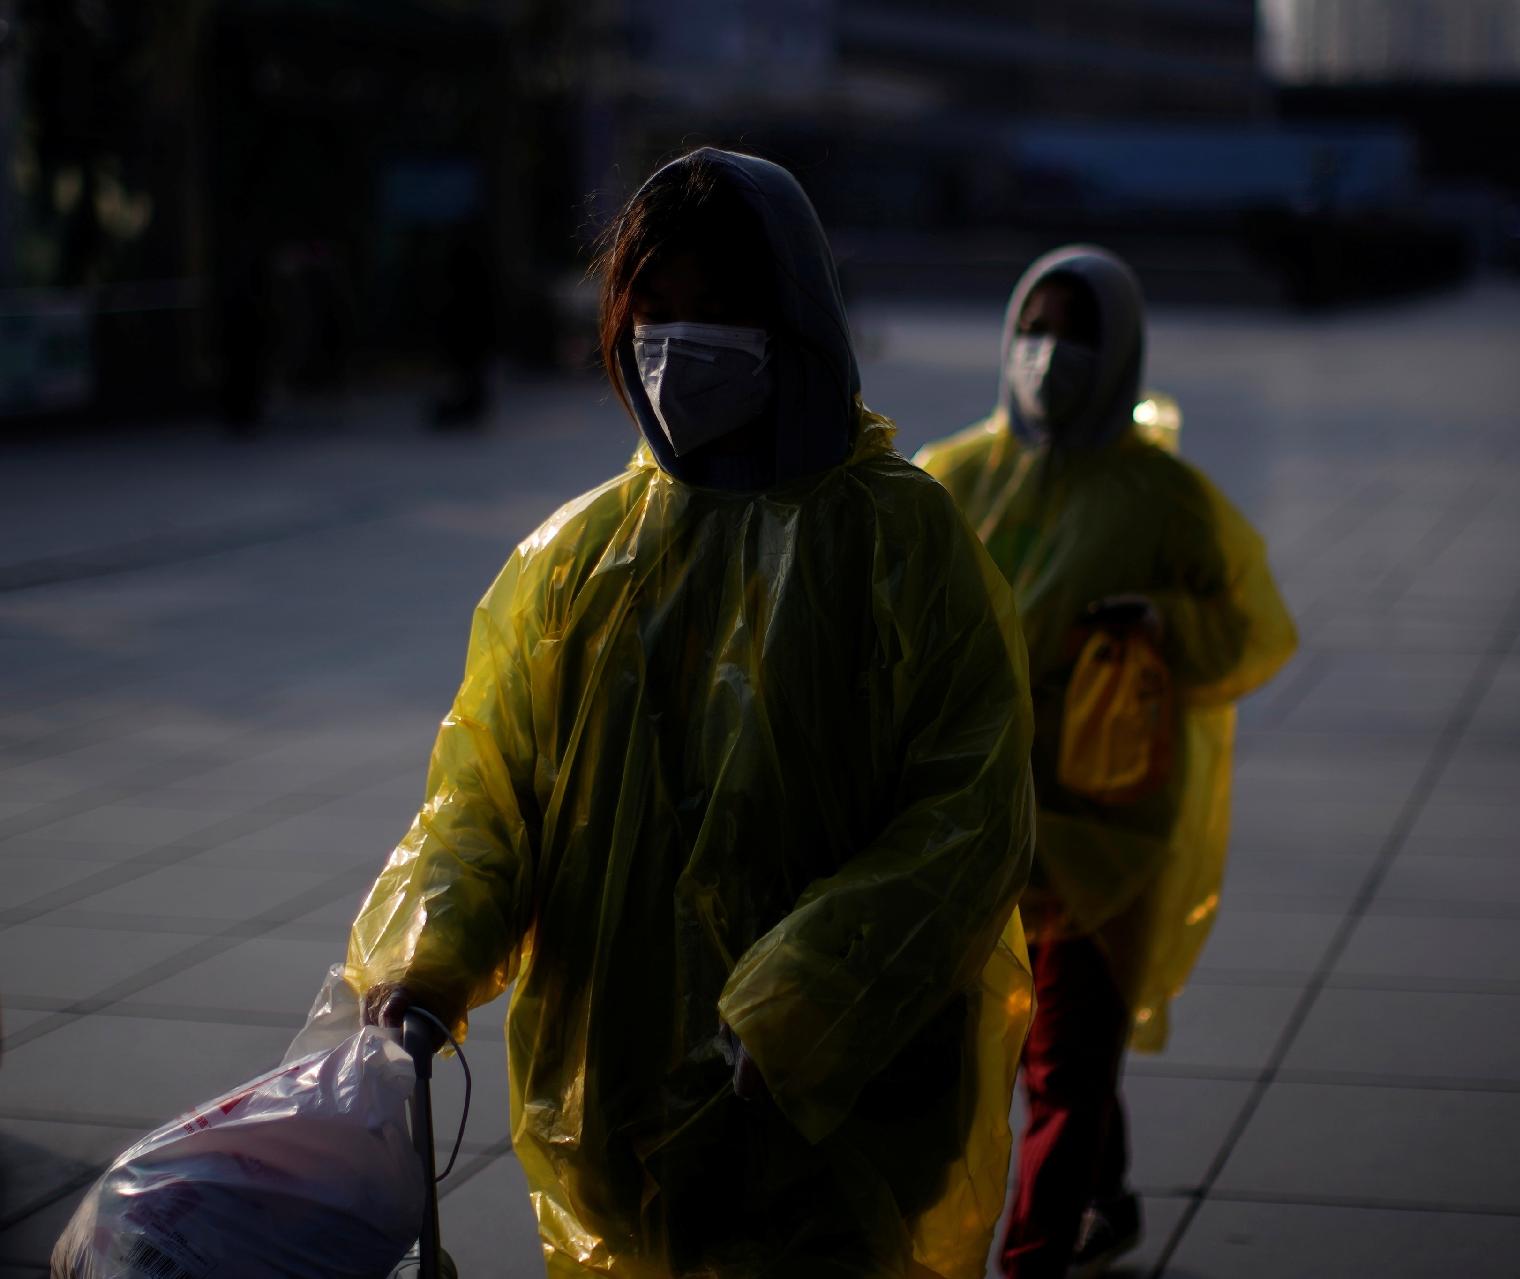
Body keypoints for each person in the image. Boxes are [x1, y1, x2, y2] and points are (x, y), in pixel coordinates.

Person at [344, 148, 1037, 1279]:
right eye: (652, 311)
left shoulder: (898, 541)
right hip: (610, 1112)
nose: (676, 347)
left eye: (717, 310)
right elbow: (486, 789)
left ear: (794, 313)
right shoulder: (577, 557)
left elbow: (970, 816)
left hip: (828, 1113)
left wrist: (803, 1002)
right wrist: (429, 954)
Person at [914, 247, 1297, 1279]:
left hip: (1101, 822)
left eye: (1076, 333)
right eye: (1034, 328)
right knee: (1008, 1044)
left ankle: (1034, 1256)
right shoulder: (950, 481)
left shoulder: (1166, 499)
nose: (1050, 355)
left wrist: (1165, 627)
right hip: (970, 817)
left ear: (1119, 346)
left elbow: (1251, 629)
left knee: (1069, 1052)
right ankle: (1106, 1189)